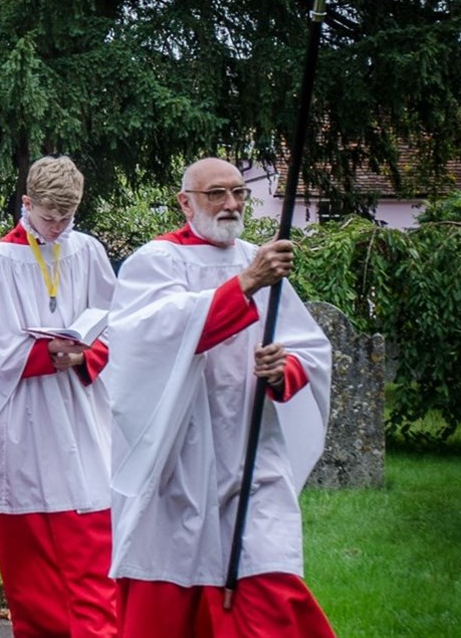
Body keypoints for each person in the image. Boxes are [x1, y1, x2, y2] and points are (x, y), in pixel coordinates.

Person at [105, 158, 334, 637]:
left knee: (271, 586)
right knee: (170, 598)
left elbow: (307, 349)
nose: (230, 204)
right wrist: (246, 284)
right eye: (216, 194)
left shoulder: (257, 259)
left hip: (253, 452)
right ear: (185, 202)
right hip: (179, 460)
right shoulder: (156, 261)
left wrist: (282, 369)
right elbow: (146, 343)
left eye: (239, 193)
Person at [0, 156, 119, 636]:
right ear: (26, 204)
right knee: (31, 566)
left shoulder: (87, 250)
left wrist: (87, 353)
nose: (57, 228)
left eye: (66, 218)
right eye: (49, 217)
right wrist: (44, 353)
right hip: (23, 416)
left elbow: (117, 321)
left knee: (91, 543)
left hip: (80, 407)